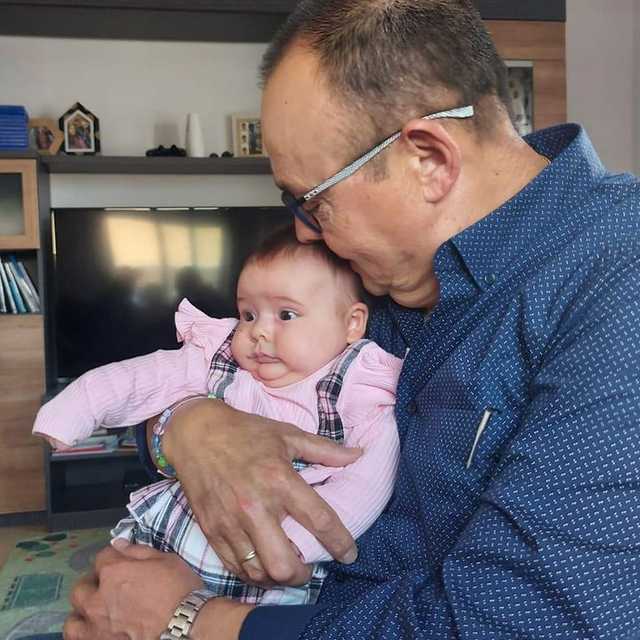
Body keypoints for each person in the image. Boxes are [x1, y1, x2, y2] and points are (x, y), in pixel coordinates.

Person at [43, 0, 640, 639]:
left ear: (428, 161)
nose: (304, 234)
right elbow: (204, 387)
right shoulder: (382, 272)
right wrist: (192, 426)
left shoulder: (614, 281)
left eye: (312, 202)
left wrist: (187, 621)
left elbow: (531, 621)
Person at [33, 225, 402, 605]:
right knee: (119, 598)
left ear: (351, 323)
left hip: (276, 561)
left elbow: (368, 478)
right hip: (176, 534)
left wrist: (301, 544)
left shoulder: (358, 386)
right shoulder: (221, 358)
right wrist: (75, 409)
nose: (259, 331)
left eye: (286, 314)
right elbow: (143, 375)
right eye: (248, 314)